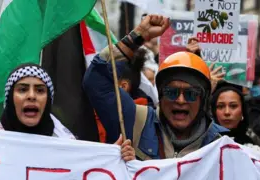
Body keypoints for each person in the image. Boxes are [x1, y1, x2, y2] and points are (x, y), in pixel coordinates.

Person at [83, 14, 229, 160]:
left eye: (191, 94)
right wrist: (139, 36)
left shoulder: (221, 145)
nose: (180, 100)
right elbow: (96, 80)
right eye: (171, 92)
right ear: (160, 95)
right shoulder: (135, 121)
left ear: (202, 99)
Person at [0, 64, 135, 161]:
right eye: (22, 89)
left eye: (40, 90)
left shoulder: (66, 144)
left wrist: (113, 159)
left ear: (48, 100)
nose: (31, 96)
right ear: (10, 99)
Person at [211, 82, 260, 149]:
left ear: (242, 111)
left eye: (233, 106)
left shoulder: (254, 145)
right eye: (220, 106)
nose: (227, 112)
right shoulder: (204, 143)